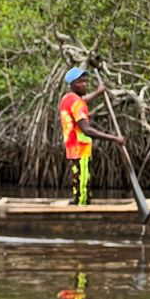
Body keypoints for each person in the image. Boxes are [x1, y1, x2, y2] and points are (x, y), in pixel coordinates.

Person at [59, 67, 125, 205]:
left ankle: (78, 203)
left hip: (72, 148)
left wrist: (98, 93)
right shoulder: (77, 103)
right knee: (83, 182)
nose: (84, 85)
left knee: (79, 178)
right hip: (80, 148)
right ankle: (81, 210)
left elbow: (82, 101)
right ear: (72, 84)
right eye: (80, 82)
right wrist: (115, 139)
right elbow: (87, 130)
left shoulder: (67, 98)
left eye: (85, 82)